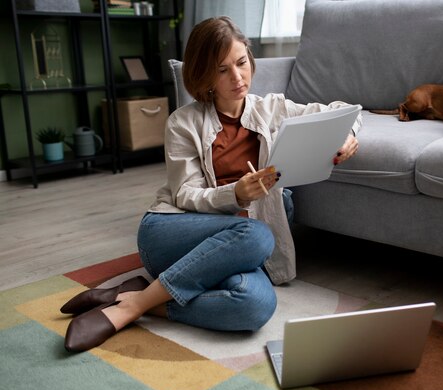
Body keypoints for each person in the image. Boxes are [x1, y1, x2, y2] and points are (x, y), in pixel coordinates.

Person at [61, 15, 362, 353]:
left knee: (255, 305)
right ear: (205, 74)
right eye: (222, 70)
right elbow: (183, 194)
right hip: (170, 232)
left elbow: (346, 110)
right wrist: (234, 193)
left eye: (242, 62)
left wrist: (347, 136)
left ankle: (137, 299)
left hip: (230, 246)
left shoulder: (273, 108)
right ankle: (134, 306)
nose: (237, 77)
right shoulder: (183, 122)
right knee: (258, 233)